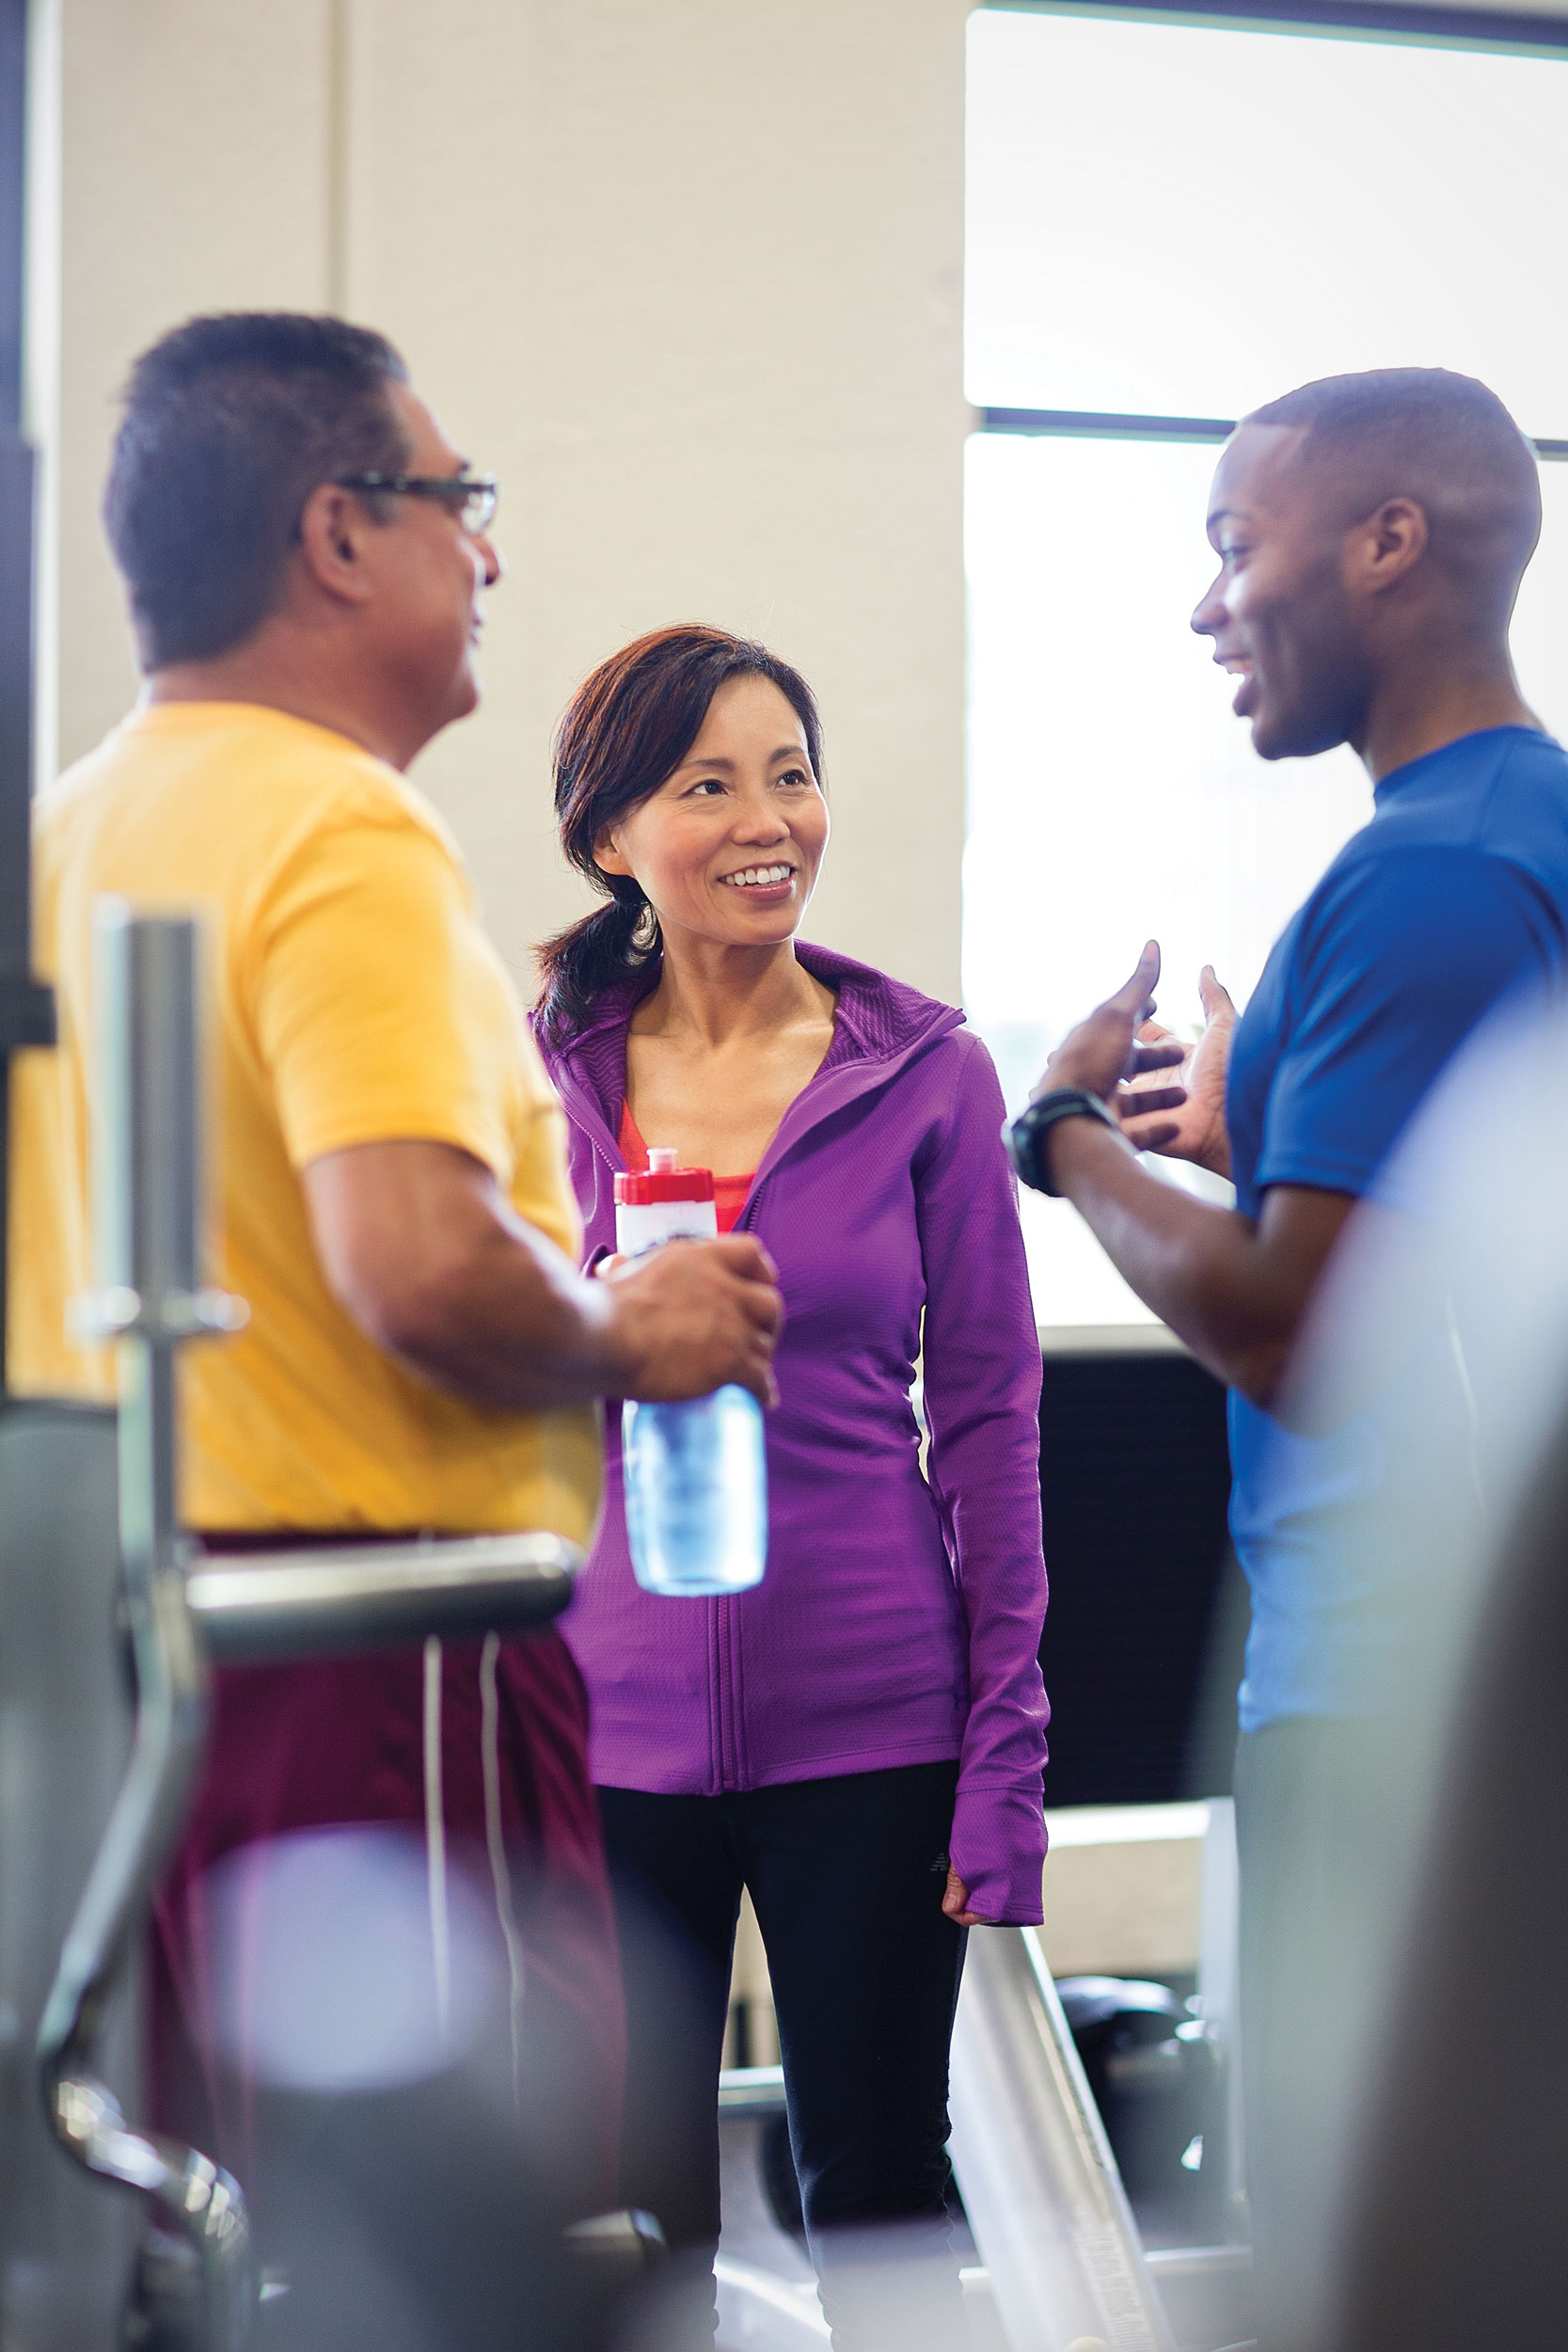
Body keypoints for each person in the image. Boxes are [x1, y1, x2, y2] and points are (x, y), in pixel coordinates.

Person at [8, 315, 782, 2348]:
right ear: (338, 536)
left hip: (147, 1651)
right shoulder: (334, 830)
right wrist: (636, 1323)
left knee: (231, 2227)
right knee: (445, 2235)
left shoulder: (77, 820)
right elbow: (419, 1261)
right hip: (380, 1649)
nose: (490, 559)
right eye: (463, 505)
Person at [1002, 367, 1568, 2350]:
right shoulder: (1534, 832)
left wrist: (1060, 1140)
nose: (1206, 604)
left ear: (1389, 542)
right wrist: (1263, 1143)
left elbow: (1296, 1329)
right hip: (1474, 1670)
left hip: (1386, 1686)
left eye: (1235, 548)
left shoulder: (1415, 876)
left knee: (1382, 2258)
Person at [531, 624, 1049, 2349]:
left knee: (883, 2208)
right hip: (605, 1734)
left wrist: (1007, 1754)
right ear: (613, 837)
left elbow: (987, 1425)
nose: (770, 818)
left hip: (877, 1728)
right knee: (628, 2228)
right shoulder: (541, 1086)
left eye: (793, 771)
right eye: (708, 784)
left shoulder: (925, 1075)